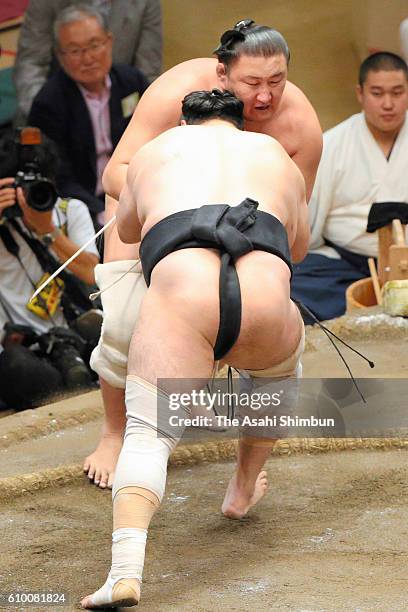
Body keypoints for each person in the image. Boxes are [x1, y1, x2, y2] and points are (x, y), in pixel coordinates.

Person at [80, 89, 308, 609]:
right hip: (265, 303)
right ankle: (244, 485)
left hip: (183, 296)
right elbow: (297, 247)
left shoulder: (154, 153)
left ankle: (124, 574)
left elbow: (133, 231)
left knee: (148, 435)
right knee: (277, 375)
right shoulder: (276, 157)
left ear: (183, 123)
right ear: (241, 124)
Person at [84, 19, 322, 490]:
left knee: (251, 308)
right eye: (252, 83)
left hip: (247, 223)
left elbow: (293, 228)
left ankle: (225, 419)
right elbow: (117, 172)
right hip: (155, 208)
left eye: (277, 82)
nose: (265, 96)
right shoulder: (177, 89)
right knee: (125, 320)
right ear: (221, 75)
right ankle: (114, 433)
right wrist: (166, 203)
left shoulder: (301, 128)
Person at [291, 51, 408, 322]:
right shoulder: (333, 143)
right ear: (360, 94)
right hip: (347, 263)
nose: (388, 103)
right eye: (377, 93)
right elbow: (311, 219)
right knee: (287, 284)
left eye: (397, 92)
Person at [0, 128, 99, 410]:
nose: (25, 196)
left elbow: (92, 273)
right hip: (29, 354)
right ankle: (71, 385)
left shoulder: (70, 210)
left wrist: (48, 231)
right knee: (14, 366)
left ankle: (78, 377)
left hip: (79, 337)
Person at [28, 4, 149, 222]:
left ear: (109, 42)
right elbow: (58, 176)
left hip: (134, 190)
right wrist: (100, 213)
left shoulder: (132, 82)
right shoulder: (49, 104)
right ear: (60, 55)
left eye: (94, 45)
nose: (88, 58)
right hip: (84, 205)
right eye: (75, 50)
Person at [14, 0, 162, 120]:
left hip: (121, 109)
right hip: (59, 108)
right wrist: (45, 112)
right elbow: (30, 64)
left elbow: (148, 71)